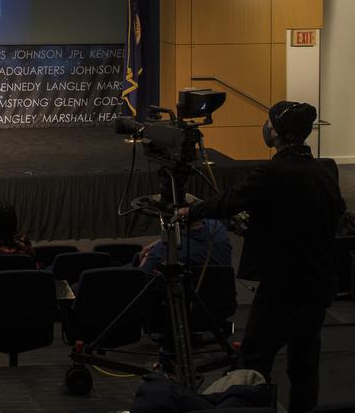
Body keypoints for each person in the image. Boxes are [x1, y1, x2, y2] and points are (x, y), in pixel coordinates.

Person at [180, 101, 344, 413]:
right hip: (317, 285)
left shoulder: (271, 172)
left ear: (278, 133)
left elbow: (229, 201)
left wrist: (192, 210)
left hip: (282, 286)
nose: (265, 128)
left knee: (254, 361)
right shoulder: (324, 173)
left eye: (269, 123)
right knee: (305, 364)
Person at [138, 216, 233, 274]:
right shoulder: (218, 227)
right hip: (223, 299)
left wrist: (147, 259)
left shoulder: (160, 252)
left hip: (188, 304)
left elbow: (140, 280)